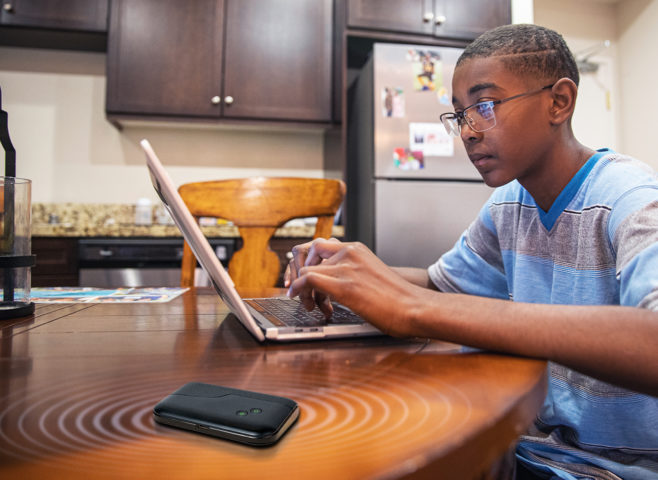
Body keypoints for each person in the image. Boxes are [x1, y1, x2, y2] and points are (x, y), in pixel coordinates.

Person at [286, 24, 658, 480]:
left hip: (616, 470)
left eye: (485, 106)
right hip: (525, 451)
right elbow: (441, 285)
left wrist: (416, 309)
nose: (468, 132)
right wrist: (350, 269)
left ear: (558, 102)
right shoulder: (509, 204)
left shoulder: (629, 196)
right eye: (460, 115)